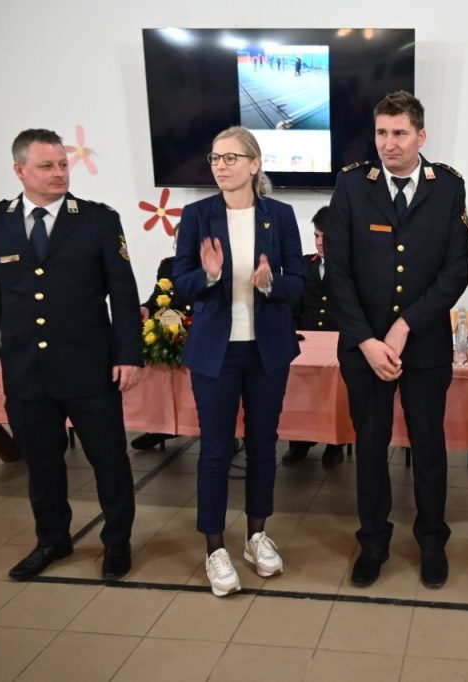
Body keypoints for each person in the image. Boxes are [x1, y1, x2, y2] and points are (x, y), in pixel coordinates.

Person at [0, 128, 142, 582]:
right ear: (19, 170)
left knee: (109, 460)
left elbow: (124, 296)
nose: (59, 173)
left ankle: (117, 541)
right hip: (27, 369)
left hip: (89, 368)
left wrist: (129, 354)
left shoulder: (98, 220)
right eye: (46, 166)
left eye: (63, 164)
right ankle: (52, 539)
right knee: (42, 463)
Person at [325, 90, 468, 589]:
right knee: (370, 449)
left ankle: (432, 542)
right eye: (382, 133)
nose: (389, 143)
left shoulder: (447, 187)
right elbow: (337, 271)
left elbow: (456, 271)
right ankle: (373, 541)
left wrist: (406, 324)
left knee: (429, 448)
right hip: (365, 349)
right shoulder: (352, 185)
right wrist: (367, 340)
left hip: (424, 346)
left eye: (400, 133)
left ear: (421, 136)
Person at [172, 126, 304, 597]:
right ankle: (214, 547)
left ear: (254, 164)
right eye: (215, 158)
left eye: (231, 158)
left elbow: (299, 282)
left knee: (264, 445)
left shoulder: (280, 215)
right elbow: (180, 283)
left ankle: (256, 536)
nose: (221, 166)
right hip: (216, 352)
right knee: (215, 449)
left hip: (267, 350)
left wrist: (270, 283)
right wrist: (208, 276)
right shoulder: (196, 215)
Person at [282, 205, 345, 467]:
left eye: (325, 237)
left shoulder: (351, 267)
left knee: (335, 392)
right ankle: (299, 442)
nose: (319, 242)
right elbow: (292, 309)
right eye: (316, 236)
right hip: (305, 343)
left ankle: (334, 444)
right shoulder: (303, 266)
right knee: (298, 391)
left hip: (337, 343)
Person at [130, 224, 192, 451]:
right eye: (179, 241)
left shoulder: (214, 267)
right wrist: (145, 308)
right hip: (171, 327)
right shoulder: (168, 266)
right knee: (153, 361)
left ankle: (216, 431)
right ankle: (161, 425)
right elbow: (158, 297)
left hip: (200, 329)